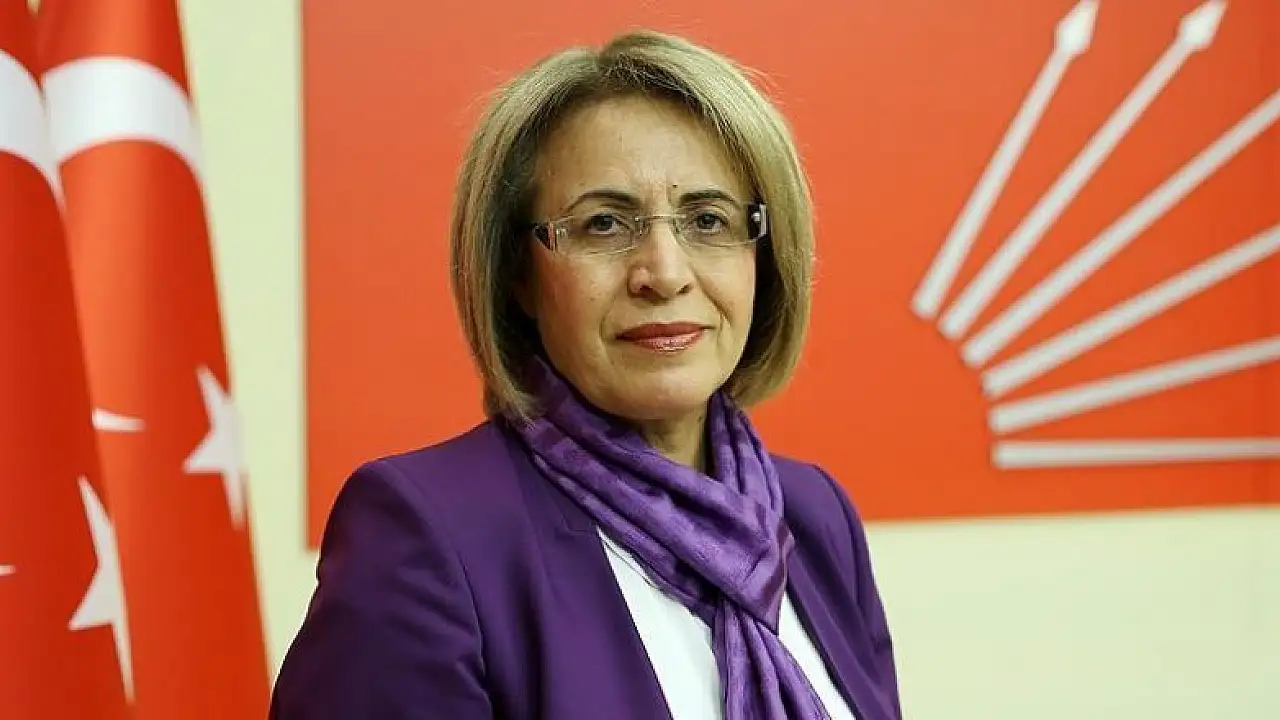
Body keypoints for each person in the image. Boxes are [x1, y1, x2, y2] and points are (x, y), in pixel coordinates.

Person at [269, 29, 901, 720]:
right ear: (519, 274)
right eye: (603, 224)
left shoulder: (812, 516)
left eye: (707, 219)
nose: (664, 273)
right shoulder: (428, 535)